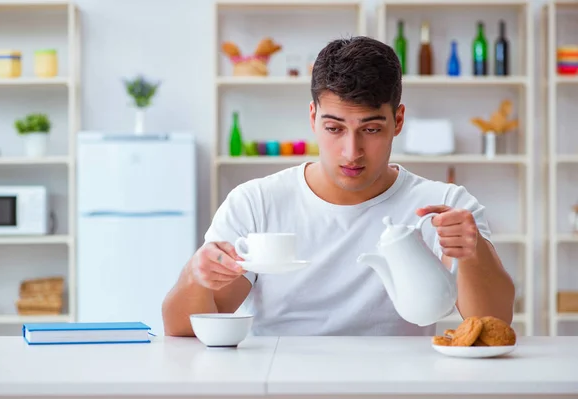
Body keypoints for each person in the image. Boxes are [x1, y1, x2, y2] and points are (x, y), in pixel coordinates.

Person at [162, 36, 515, 337]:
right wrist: (197, 274)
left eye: (371, 129)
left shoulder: (444, 204)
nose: (352, 152)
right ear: (313, 117)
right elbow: (182, 330)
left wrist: (473, 254)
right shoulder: (256, 202)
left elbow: (494, 324)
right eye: (334, 128)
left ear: (398, 120)